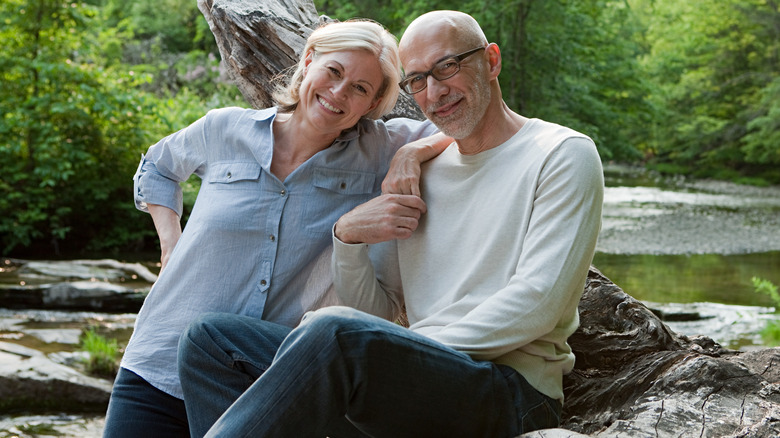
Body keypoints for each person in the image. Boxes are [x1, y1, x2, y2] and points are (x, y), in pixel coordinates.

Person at [178, 10, 604, 438]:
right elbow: (379, 310)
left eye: (447, 67)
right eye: (417, 79)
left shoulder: (561, 154)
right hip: (413, 380)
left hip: (510, 392)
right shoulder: (423, 172)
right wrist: (346, 240)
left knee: (334, 334)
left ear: (491, 60)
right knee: (210, 341)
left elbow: (539, 301)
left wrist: (404, 344)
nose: (434, 91)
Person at [102, 19, 448, 438]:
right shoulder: (224, 129)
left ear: (373, 103)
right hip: (158, 362)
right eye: (333, 71)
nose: (339, 92)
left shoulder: (377, 151)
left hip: (255, 381)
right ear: (308, 61)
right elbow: (156, 167)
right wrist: (170, 243)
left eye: (360, 88)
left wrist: (412, 152)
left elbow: (461, 127)